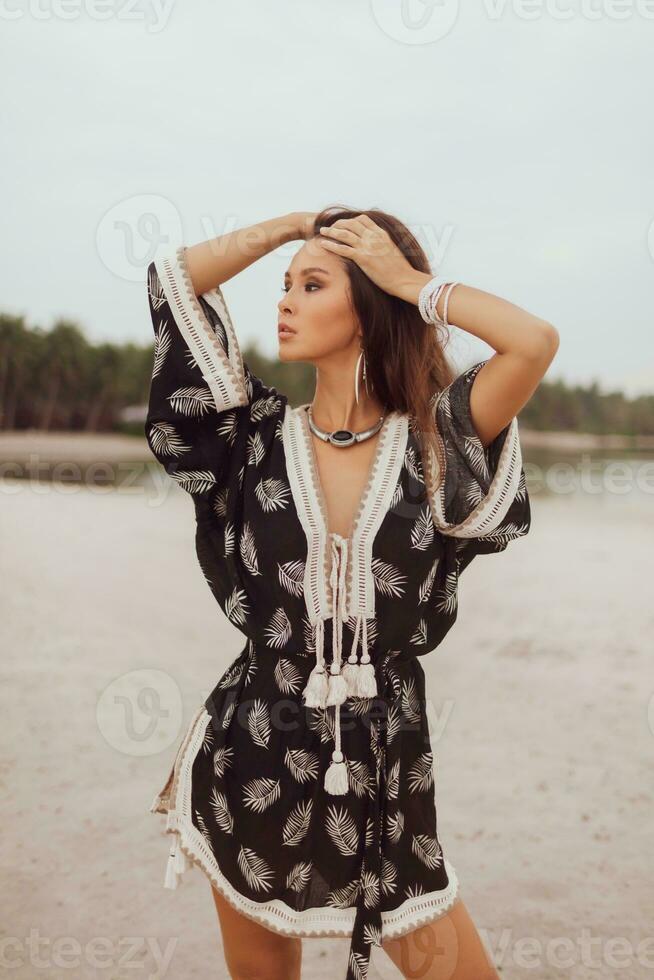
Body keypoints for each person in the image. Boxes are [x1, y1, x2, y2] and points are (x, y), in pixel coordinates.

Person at [145, 206, 559, 980]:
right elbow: (174, 281)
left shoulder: (440, 439)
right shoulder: (253, 439)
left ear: (368, 308)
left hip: (390, 768)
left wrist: (413, 284)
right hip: (253, 752)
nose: (285, 301)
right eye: (284, 284)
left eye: (311, 284)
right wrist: (294, 227)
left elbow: (532, 342)